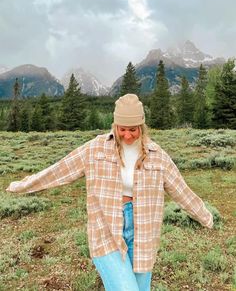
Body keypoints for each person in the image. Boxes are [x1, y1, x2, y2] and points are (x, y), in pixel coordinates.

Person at [6, 94, 213, 291]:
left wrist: (205, 217)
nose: (128, 135)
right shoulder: (95, 149)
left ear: (142, 126)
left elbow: (181, 191)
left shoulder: (157, 156)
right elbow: (60, 170)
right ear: (115, 125)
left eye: (134, 129)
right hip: (105, 228)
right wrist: (23, 185)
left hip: (144, 232)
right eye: (123, 129)